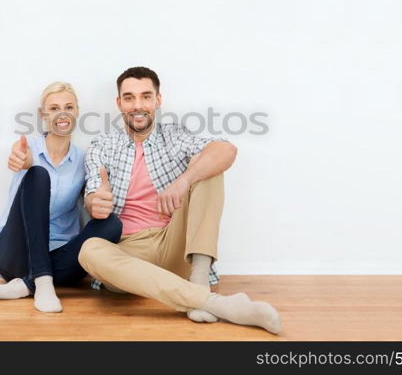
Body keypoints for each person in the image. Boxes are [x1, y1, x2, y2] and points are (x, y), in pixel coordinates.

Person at [78, 66, 282, 334]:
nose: (137, 105)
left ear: (158, 100)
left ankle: (199, 280)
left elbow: (226, 150)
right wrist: (96, 202)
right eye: (129, 98)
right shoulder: (101, 146)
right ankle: (214, 302)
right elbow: (93, 193)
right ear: (119, 104)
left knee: (208, 165)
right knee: (89, 250)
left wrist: (183, 180)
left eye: (146, 96)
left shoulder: (174, 135)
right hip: (129, 254)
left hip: (172, 243)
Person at [0, 82, 122, 312]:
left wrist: (98, 201)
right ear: (43, 115)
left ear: (76, 112)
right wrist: (22, 160)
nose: (62, 113)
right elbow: (21, 155)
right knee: (38, 174)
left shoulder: (84, 161)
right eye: (53, 108)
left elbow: (91, 201)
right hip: (13, 254)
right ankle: (42, 282)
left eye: (68, 107)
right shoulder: (28, 148)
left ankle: (24, 286)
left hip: (59, 255)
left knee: (112, 224)